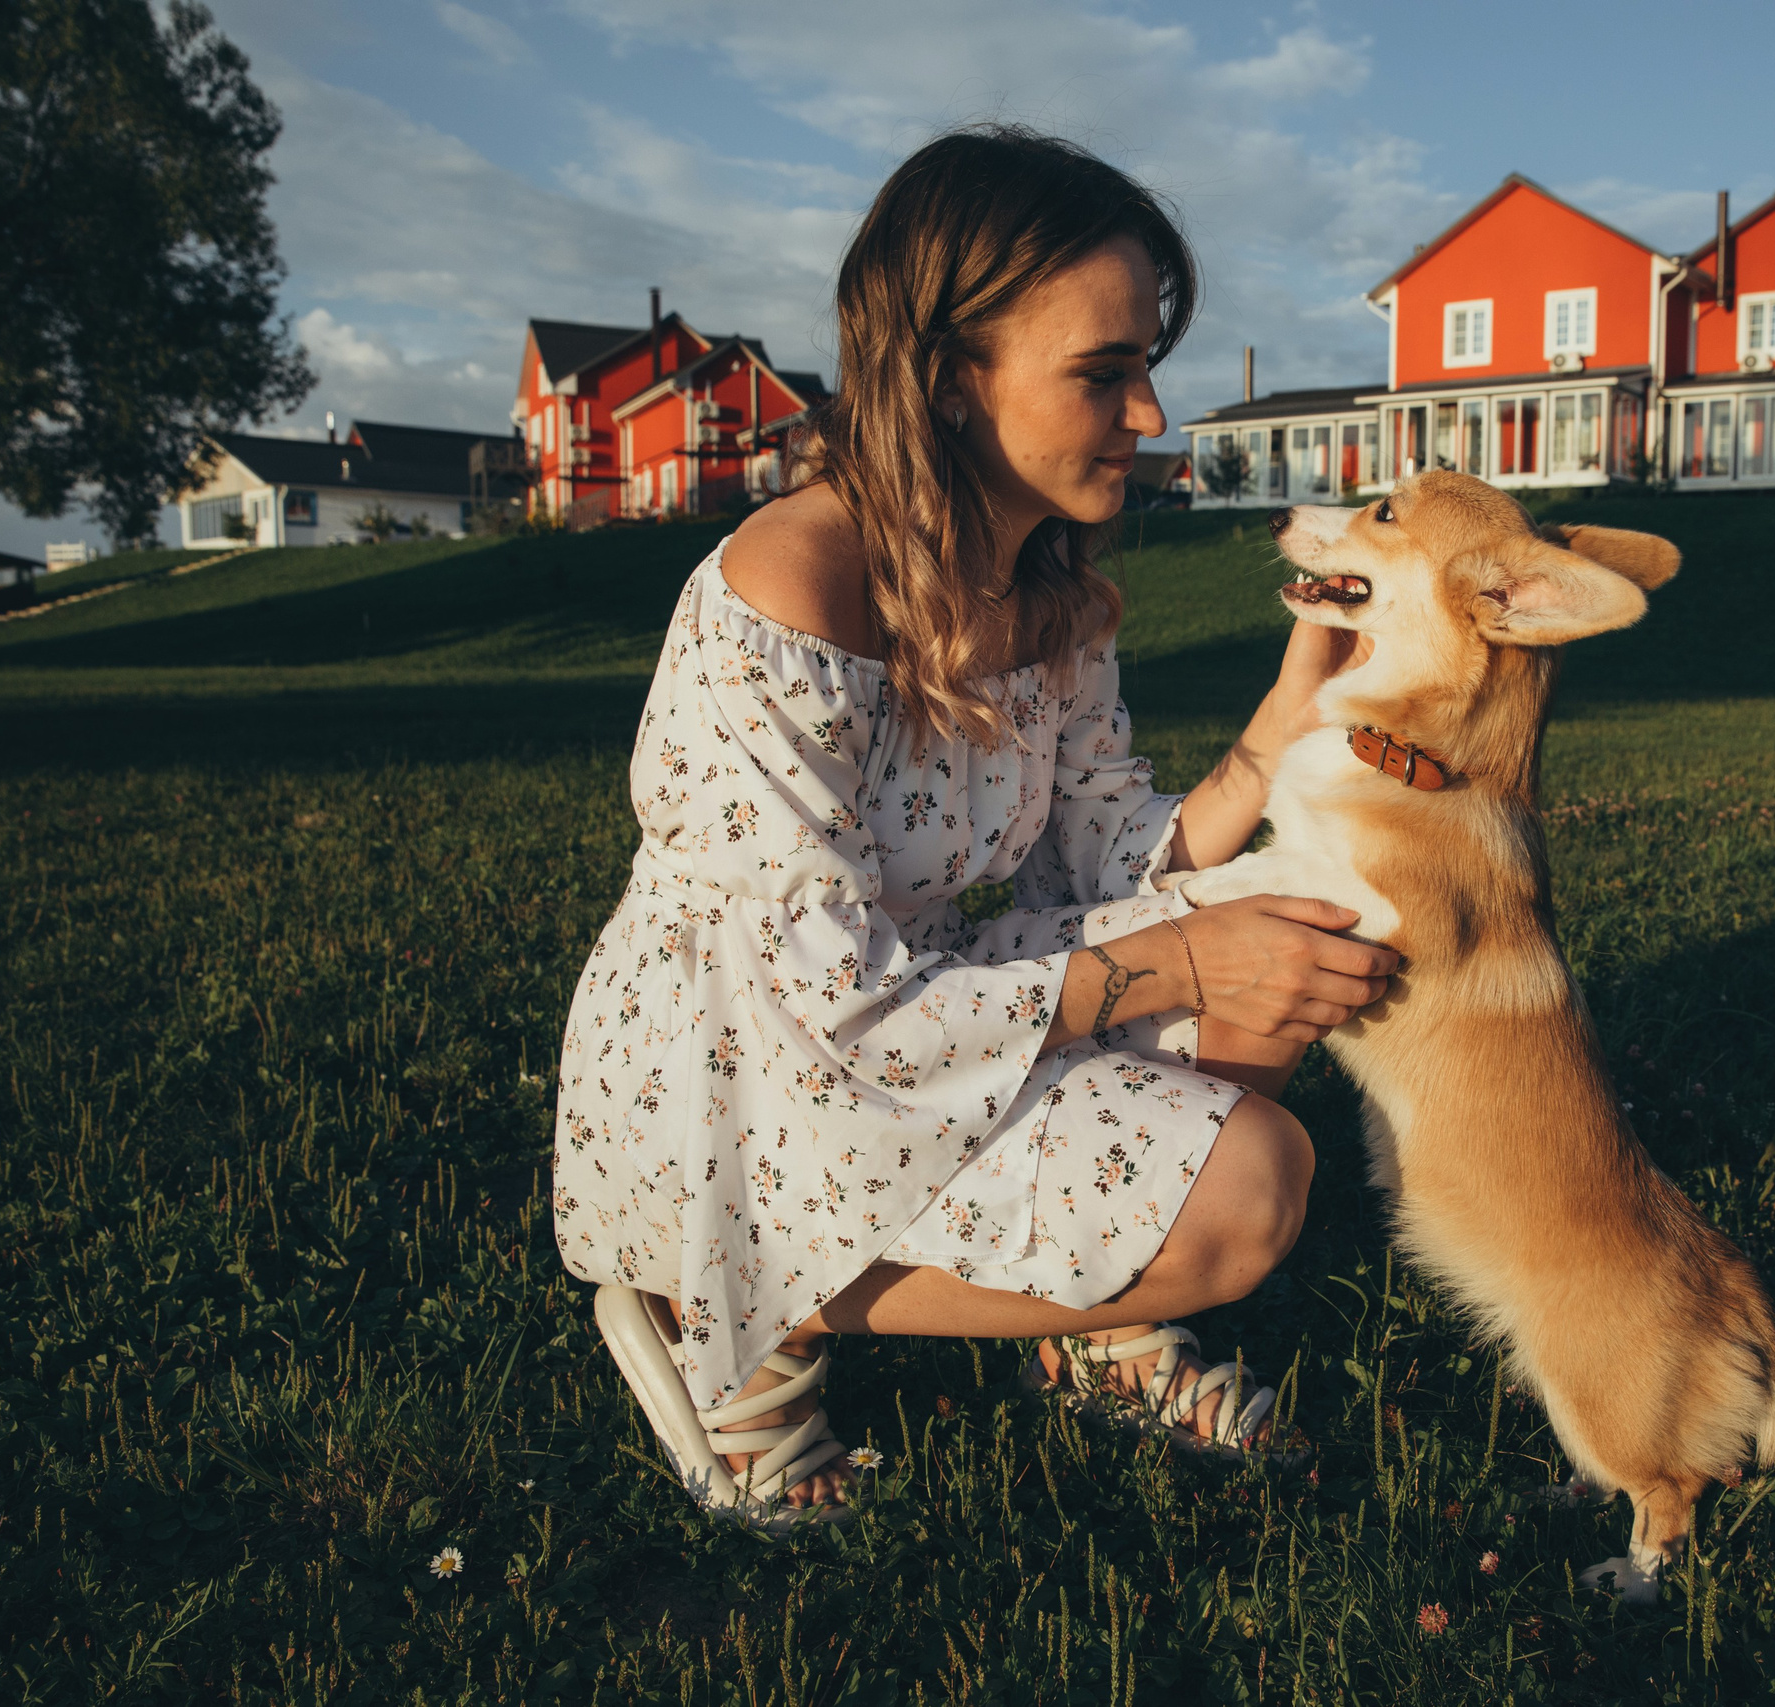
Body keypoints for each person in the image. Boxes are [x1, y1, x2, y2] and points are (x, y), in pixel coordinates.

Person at [551, 126, 1396, 1526]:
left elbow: (1114, 862)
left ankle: (1086, 1319)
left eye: (1147, 369)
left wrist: (1292, 715)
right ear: (952, 378)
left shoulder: (1050, 593)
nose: (1149, 418)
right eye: (1105, 374)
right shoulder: (789, 592)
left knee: (1294, 919)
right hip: (748, 1068)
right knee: (1255, 1183)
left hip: (933, 1010)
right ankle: (729, 1312)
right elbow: (833, 1006)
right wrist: (1185, 967)